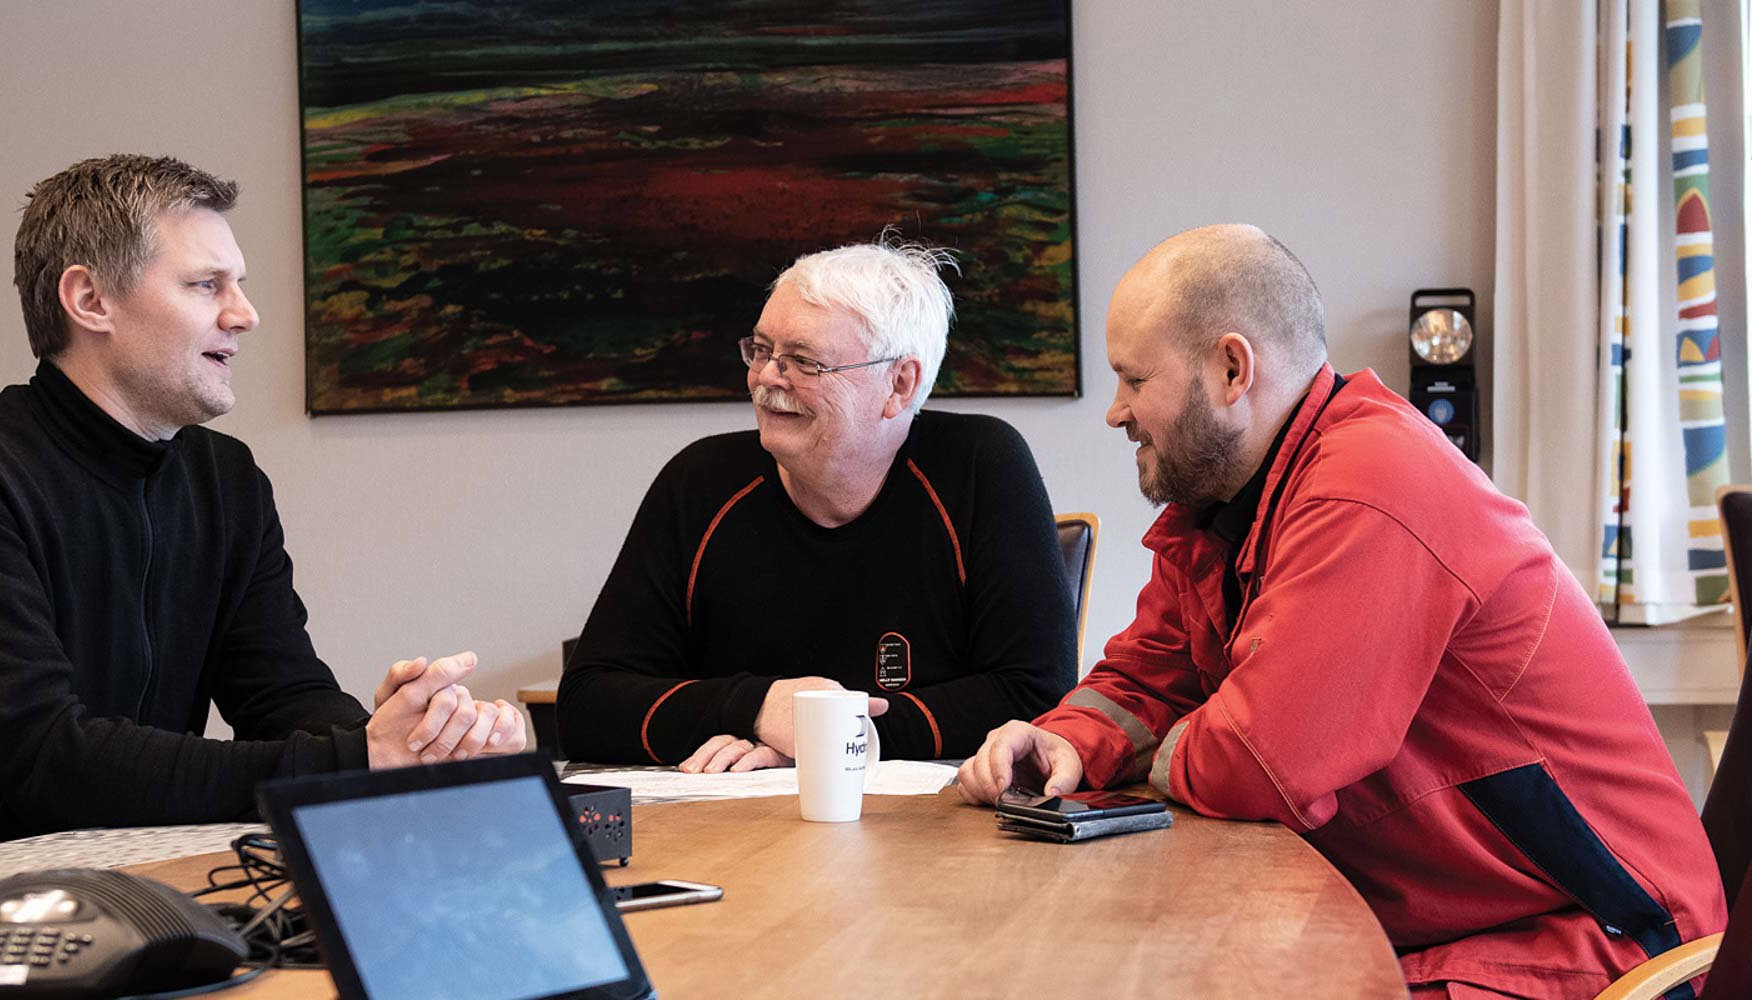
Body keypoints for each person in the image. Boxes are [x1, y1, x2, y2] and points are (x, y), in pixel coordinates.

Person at [956, 224, 1726, 998]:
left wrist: (1161, 749)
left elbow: (1262, 762)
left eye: (1133, 379)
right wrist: (1065, 741)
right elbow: (1147, 678)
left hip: (1607, 940)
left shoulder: (1372, 484)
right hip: (1454, 924)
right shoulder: (1223, 508)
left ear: (1231, 369)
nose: (1116, 412)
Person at [0, 155, 524, 861]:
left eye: (239, 284)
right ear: (90, 300)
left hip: (98, 878)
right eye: (206, 285)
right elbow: (49, 760)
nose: (245, 314)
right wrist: (357, 757)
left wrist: (408, 739)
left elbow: (282, 693)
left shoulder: (225, 479)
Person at [557, 241, 1074, 772]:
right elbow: (585, 706)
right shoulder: (698, 483)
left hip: (932, 818)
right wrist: (759, 707)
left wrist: (834, 738)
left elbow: (1037, 697)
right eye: (761, 351)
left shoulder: (980, 466)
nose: (766, 378)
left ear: (900, 384)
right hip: (736, 817)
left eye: (803, 361)